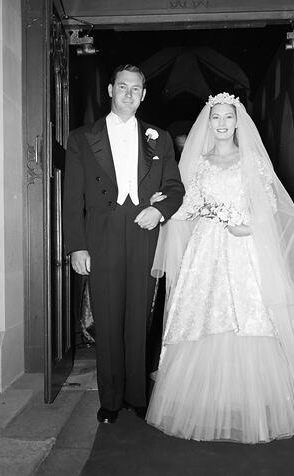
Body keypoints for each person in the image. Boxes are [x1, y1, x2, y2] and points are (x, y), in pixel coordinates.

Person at [146, 92, 294, 443]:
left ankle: (252, 402)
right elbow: (190, 206)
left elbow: (269, 205)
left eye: (227, 117)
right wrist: (165, 205)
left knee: (250, 321)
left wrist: (249, 225)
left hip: (244, 250)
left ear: (238, 122)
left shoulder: (252, 160)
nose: (221, 123)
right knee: (203, 319)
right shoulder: (200, 162)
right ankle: (209, 402)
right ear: (208, 121)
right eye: (215, 117)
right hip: (206, 250)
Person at [63, 64, 185, 424]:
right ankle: (111, 400)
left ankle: (137, 396)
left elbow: (176, 189)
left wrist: (159, 211)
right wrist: (77, 246)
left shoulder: (159, 137)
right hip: (101, 234)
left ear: (143, 95)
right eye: (122, 87)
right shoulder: (82, 138)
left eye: (136, 89)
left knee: (138, 318)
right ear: (110, 91)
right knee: (108, 317)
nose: (129, 94)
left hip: (144, 232)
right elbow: (72, 200)